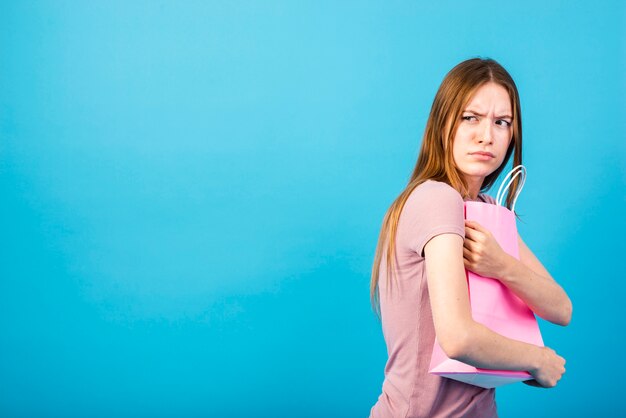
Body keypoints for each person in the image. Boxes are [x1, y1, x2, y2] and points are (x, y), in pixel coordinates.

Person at [369, 58, 573, 418]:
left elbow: (561, 308)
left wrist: (501, 265)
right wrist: (539, 360)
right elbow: (459, 339)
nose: (486, 135)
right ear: (442, 122)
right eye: (470, 117)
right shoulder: (436, 198)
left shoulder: (485, 208)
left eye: (501, 122)